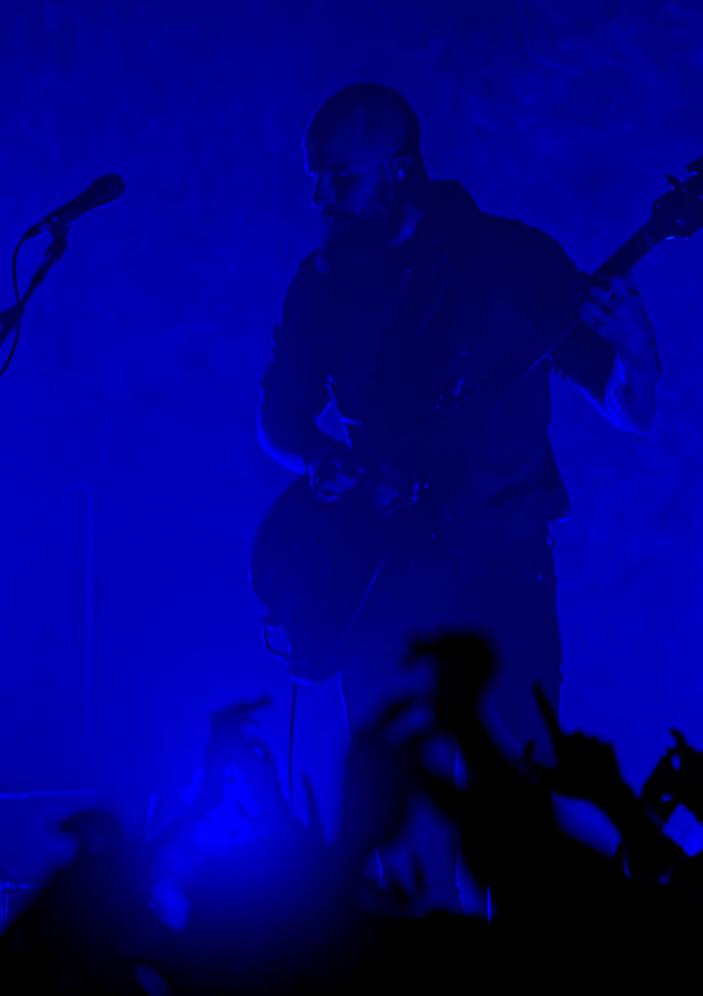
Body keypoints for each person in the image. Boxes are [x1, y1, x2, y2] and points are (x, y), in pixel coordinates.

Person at [256, 82, 660, 910]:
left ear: (400, 170)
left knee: (525, 832)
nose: (321, 197)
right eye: (316, 179)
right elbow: (278, 419)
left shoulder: (512, 260)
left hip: (503, 574)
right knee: (403, 838)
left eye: (340, 178)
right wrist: (320, 457)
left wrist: (641, 358)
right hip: (382, 584)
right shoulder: (322, 285)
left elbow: (625, 407)